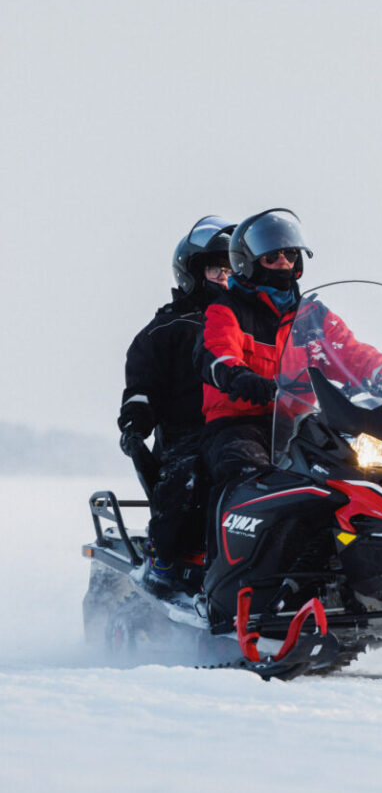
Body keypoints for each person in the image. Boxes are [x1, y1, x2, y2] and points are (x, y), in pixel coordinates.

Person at [196, 207, 382, 491]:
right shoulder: (227, 311)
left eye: (290, 254)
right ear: (249, 262)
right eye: (272, 256)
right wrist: (239, 377)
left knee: (354, 472)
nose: (283, 260)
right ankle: (226, 533)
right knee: (248, 473)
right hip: (240, 425)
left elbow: (352, 353)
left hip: (299, 424)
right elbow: (217, 352)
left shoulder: (313, 316)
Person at [118, 215, 235, 594]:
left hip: (258, 428)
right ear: (193, 273)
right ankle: (162, 557)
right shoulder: (166, 330)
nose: (228, 279)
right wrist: (135, 424)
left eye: (235, 270)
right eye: (219, 270)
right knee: (189, 478)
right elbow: (141, 387)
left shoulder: (254, 323)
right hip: (190, 435)